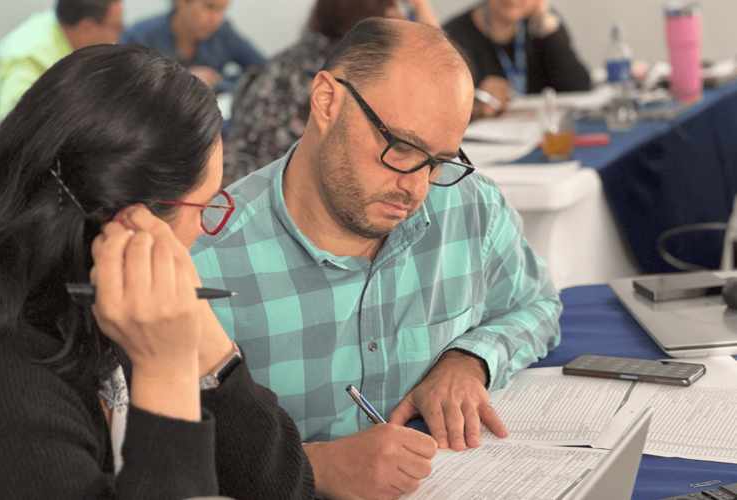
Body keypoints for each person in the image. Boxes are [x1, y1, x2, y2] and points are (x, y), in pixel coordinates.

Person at [192, 17, 562, 500]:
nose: (416, 186)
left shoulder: (469, 206)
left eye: (439, 160)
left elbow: (538, 306)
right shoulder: (204, 257)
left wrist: (469, 360)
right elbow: (144, 459)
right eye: (402, 147)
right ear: (327, 101)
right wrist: (312, 467)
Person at [0, 44, 314, 499]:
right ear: (131, 223)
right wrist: (165, 369)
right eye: (205, 206)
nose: (205, 230)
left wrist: (210, 351)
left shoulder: (96, 295)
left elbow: (285, 490)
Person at [221, 0, 438, 183]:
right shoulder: (346, 74)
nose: (401, 15)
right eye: (395, 7)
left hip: (237, 177)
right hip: (270, 188)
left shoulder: (303, 53)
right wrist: (421, 6)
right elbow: (436, 64)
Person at [0, 0, 123, 157]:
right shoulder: (27, 57)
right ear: (86, 29)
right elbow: (13, 129)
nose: (121, 32)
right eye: (116, 26)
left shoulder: (64, 33)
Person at [443, 0, 591, 119]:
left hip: (540, 133)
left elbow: (579, 87)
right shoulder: (454, 35)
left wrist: (546, 22)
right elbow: (444, 108)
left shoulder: (541, 22)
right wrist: (476, 99)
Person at [120, 0, 264, 93]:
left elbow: (264, 69)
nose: (217, 19)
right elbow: (127, 91)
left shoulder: (223, 32)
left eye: (223, 10)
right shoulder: (139, 37)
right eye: (209, 6)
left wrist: (222, 81)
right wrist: (181, 81)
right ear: (181, 2)